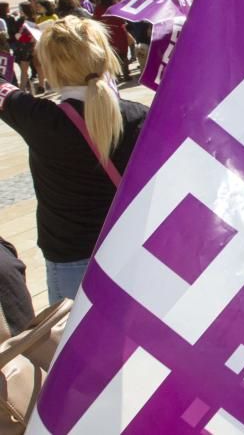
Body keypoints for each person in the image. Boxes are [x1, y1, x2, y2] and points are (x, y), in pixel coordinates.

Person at [0, 16, 149, 303]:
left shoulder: (39, 119)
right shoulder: (139, 117)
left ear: (49, 67)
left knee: (80, 348)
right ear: (105, 57)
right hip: (133, 254)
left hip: (71, 263)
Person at [93, 0, 133, 82]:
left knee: (112, 55)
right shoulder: (116, 6)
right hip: (119, 32)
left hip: (107, 34)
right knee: (123, 54)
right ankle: (126, 74)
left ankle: (117, 75)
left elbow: (95, 21)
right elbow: (122, 19)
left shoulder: (98, 8)